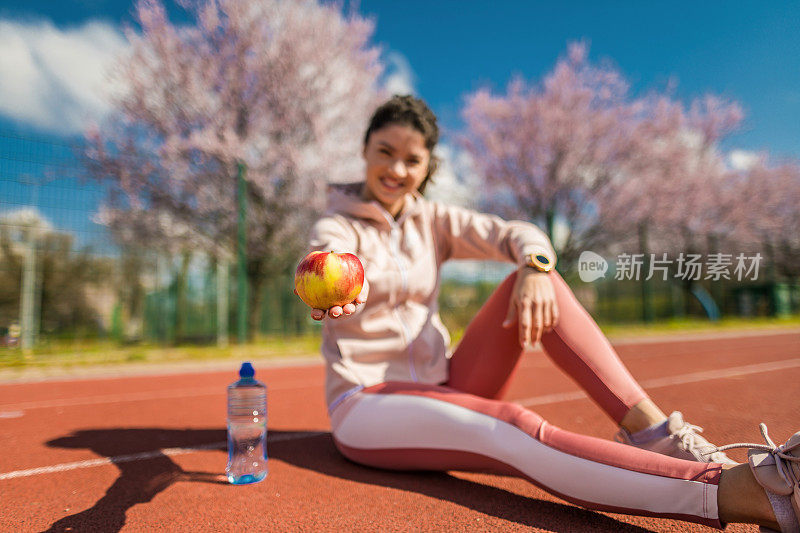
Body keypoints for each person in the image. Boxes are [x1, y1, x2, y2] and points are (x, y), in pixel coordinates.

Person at [303, 95, 799, 531]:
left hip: (446, 384)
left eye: (412, 160)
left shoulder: (433, 220)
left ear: (428, 166)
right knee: (513, 424)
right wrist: (344, 290)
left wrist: (536, 266)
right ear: (365, 151)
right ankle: (740, 493)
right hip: (370, 404)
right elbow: (332, 259)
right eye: (384, 153)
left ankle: (656, 435)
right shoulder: (337, 225)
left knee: (540, 280)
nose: (396, 169)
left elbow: (516, 232)